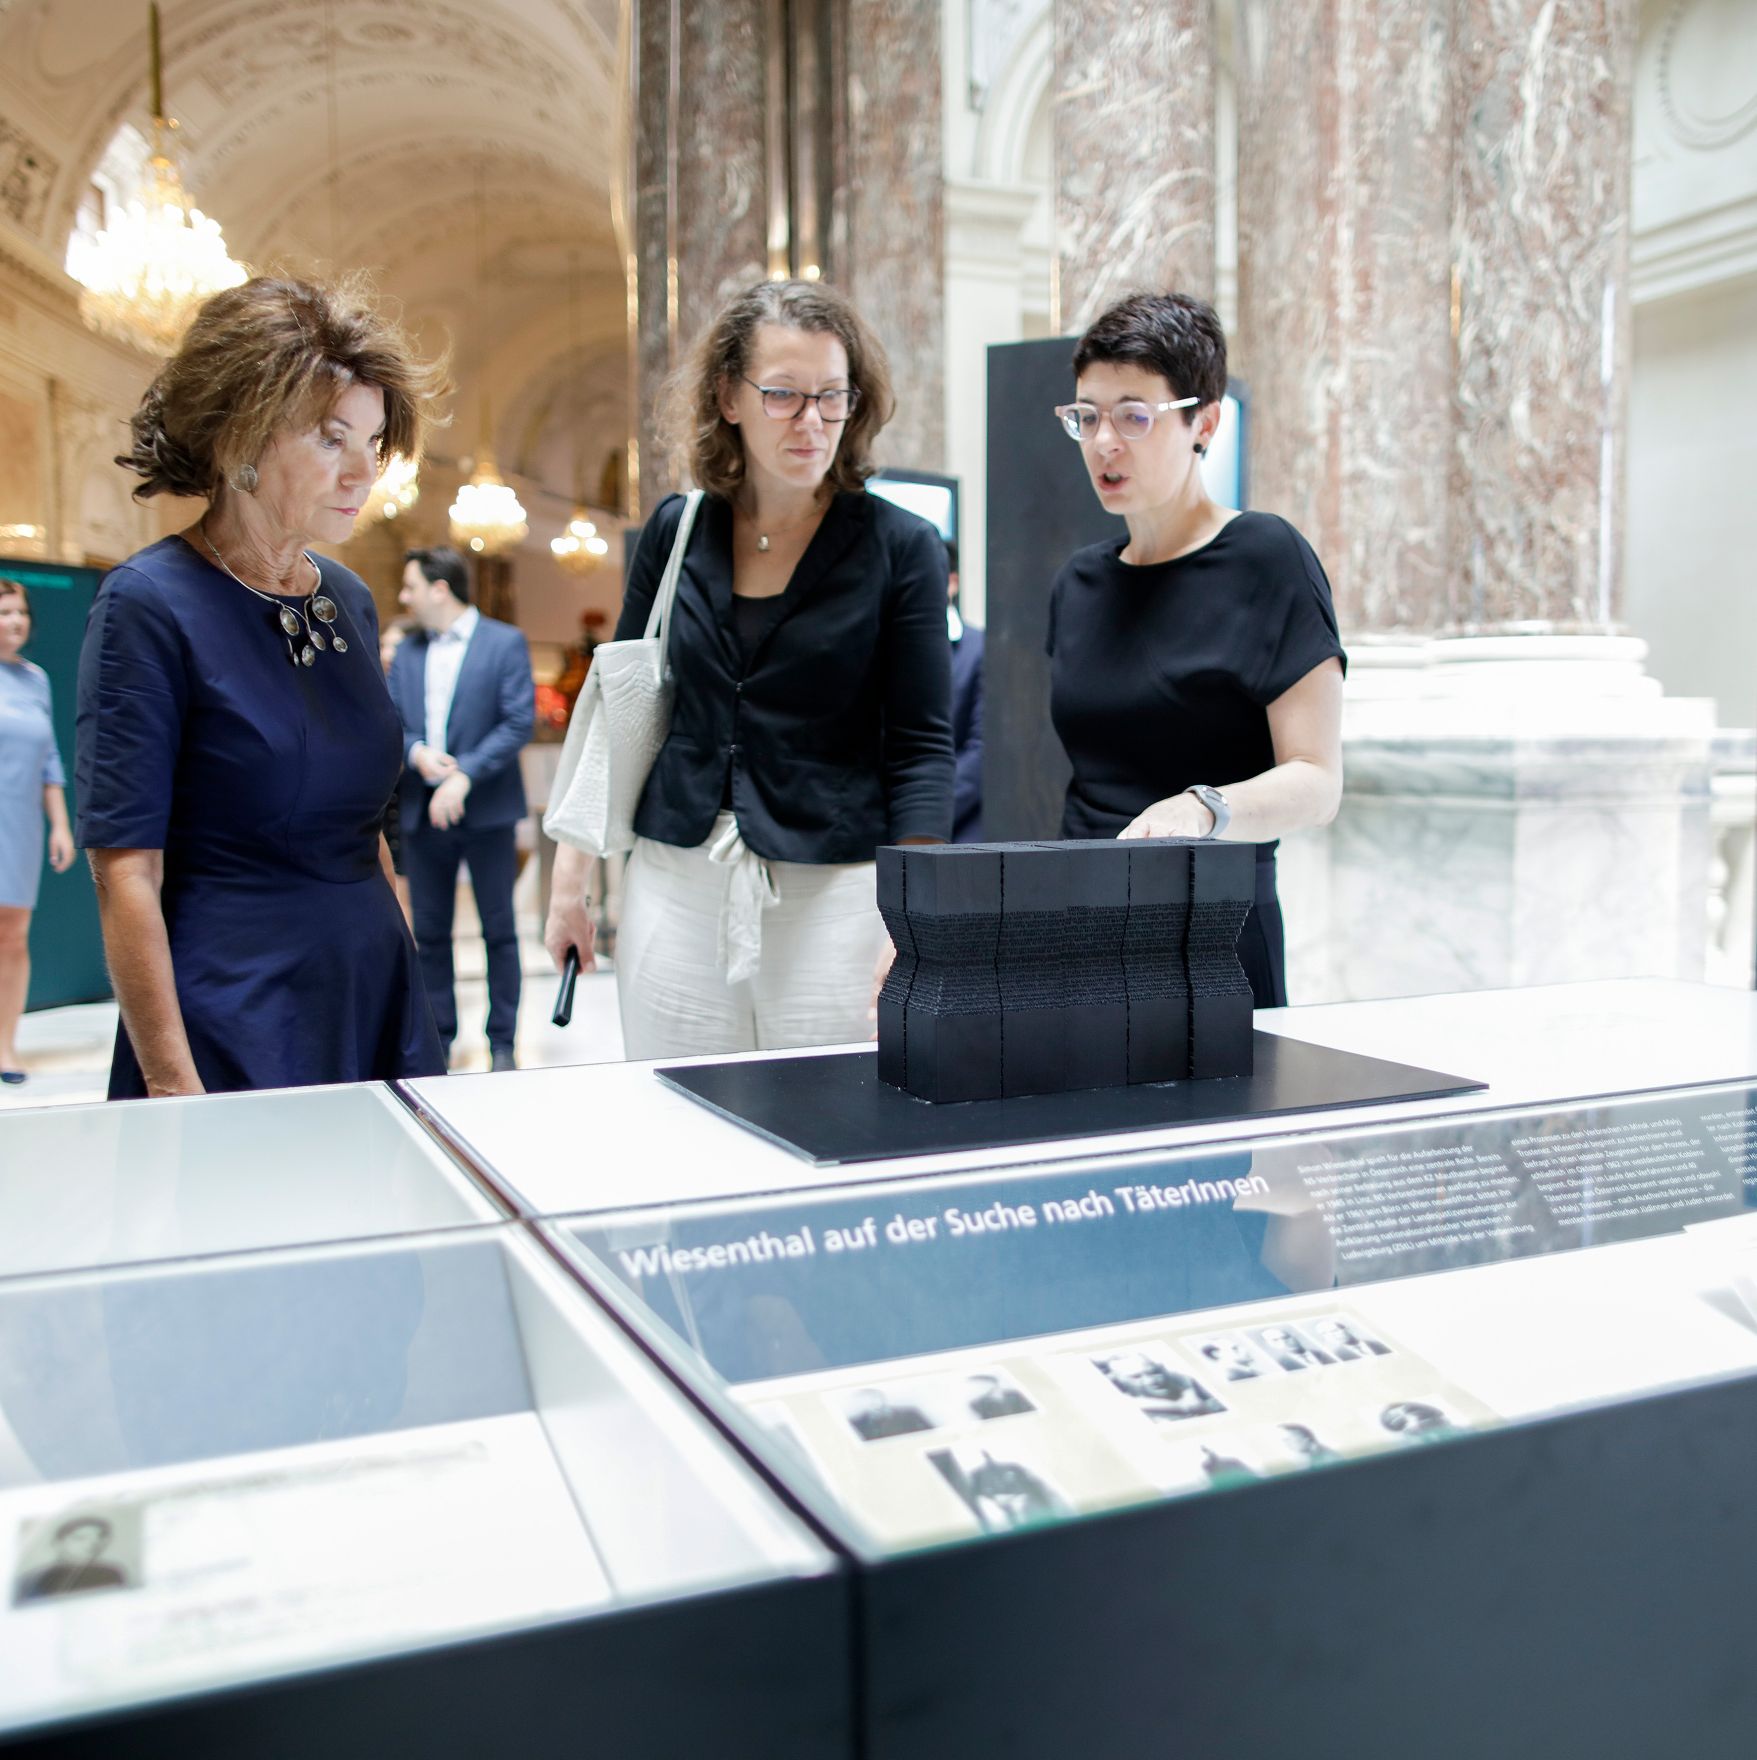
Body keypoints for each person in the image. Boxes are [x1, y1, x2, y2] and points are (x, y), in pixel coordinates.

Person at [545, 278, 953, 1057]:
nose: (813, 422)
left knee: (831, 1118)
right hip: (676, 876)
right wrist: (572, 885)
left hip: (833, 888)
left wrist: (916, 915)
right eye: (784, 395)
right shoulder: (678, 528)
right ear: (729, 397)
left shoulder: (900, 546)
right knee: (676, 1112)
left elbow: (922, 747)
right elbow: (617, 718)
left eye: (832, 397)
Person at [76, 275, 448, 1099]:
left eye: (373, 441)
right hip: (233, 1012)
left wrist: (410, 995)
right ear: (240, 436)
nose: (363, 472)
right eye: (329, 438)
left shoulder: (345, 595)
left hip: (372, 989)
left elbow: (370, 830)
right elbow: (125, 871)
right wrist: (175, 1087)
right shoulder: (148, 603)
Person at [1045, 292, 1346, 1008]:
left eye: (1133, 415)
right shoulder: (1079, 582)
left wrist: (1200, 809)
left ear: (1203, 421)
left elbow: (1316, 781)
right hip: (1077, 918)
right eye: (1085, 417)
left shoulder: (1267, 558)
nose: (1104, 442)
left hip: (1211, 930)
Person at [391, 546, 534, 1071]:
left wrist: (466, 775)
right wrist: (416, 754)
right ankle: (440, 1038)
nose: (404, 598)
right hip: (423, 811)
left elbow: (518, 722)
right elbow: (391, 719)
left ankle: (502, 1042)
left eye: (410, 587)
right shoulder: (407, 652)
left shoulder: (504, 641)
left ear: (440, 589)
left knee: (498, 928)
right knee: (429, 932)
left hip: (488, 810)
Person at [0, 579, 74, 1085]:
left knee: (13, 935)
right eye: (4, 612)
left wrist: (61, 825)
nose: (16, 621)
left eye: (20, 611)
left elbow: (50, 759)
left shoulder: (36, 679)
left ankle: (5, 1046)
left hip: (20, 823)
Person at [945, 538, 984, 842]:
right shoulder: (886, 648)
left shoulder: (980, 649)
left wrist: (923, 813)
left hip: (961, 828)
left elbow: (982, 748)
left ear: (952, 582)